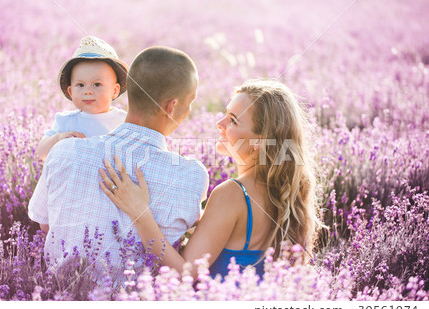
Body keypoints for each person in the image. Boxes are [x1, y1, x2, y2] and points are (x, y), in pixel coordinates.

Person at [100, 79, 323, 279]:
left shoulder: (233, 194)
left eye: (233, 121)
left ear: (260, 142)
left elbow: (184, 273)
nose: (220, 123)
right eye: (226, 113)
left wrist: (140, 213)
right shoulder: (282, 194)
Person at [28, 46, 208, 283]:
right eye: (190, 102)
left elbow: (45, 225)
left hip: (58, 293)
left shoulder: (63, 151)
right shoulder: (191, 176)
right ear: (171, 107)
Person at [36, 36, 129, 161]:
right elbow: (41, 153)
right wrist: (58, 138)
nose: (88, 91)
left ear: (114, 91)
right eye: (80, 85)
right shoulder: (66, 122)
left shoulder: (124, 121)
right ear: (70, 91)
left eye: (97, 84)